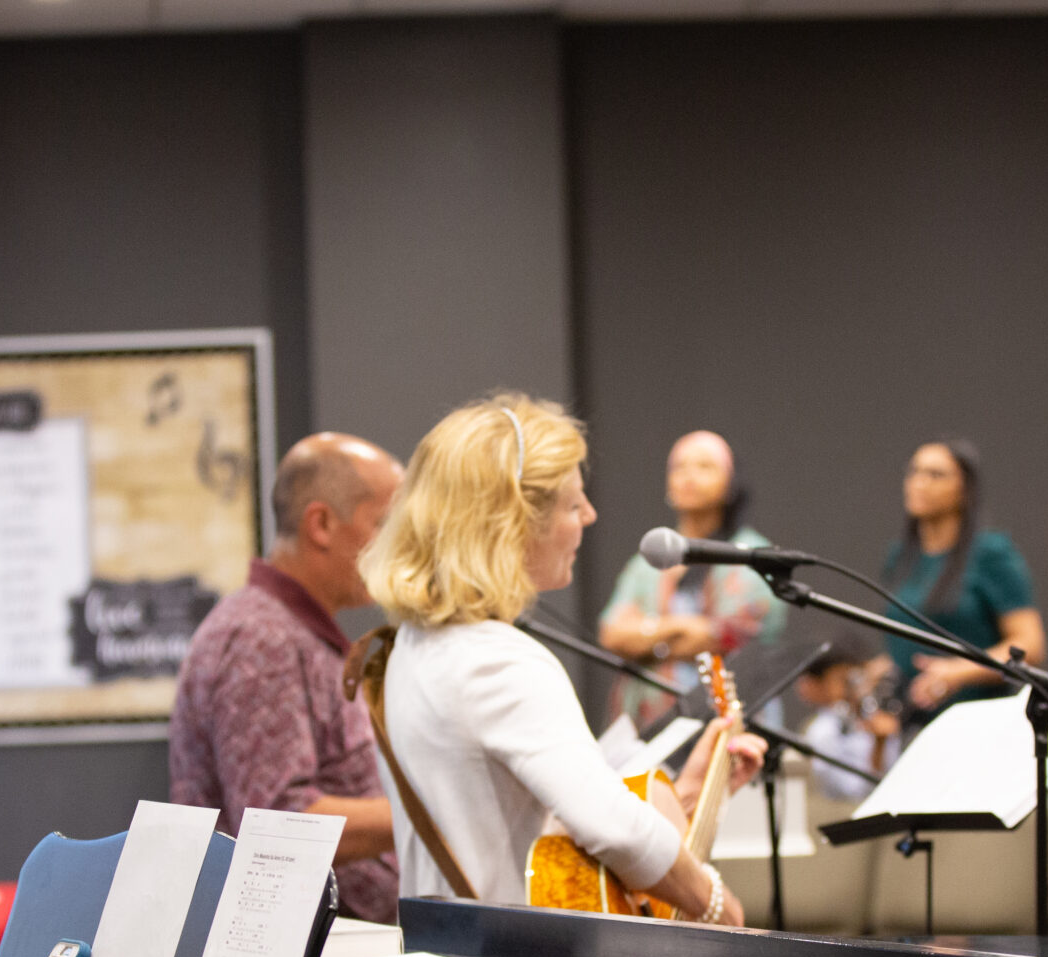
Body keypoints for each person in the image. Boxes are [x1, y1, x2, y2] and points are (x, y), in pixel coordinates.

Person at [354, 394, 765, 919]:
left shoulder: (411, 647)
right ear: (512, 524)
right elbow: (610, 826)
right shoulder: (498, 662)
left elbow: (521, 820)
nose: (590, 516)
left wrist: (683, 799)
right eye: (574, 504)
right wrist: (715, 902)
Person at [171, 432, 404, 923]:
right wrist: (428, 810)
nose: (400, 545)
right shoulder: (263, 638)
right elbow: (278, 825)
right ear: (321, 523)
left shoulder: (284, 630)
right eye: (384, 523)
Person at [597, 430, 784, 729]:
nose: (689, 476)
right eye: (679, 467)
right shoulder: (650, 560)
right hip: (651, 727)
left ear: (731, 483)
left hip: (729, 723)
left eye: (705, 467)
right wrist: (682, 627)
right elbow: (612, 633)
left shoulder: (750, 554)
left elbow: (728, 634)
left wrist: (648, 639)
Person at [873, 439, 1046, 718]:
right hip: (913, 722)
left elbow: (1031, 644)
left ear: (965, 490)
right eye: (914, 472)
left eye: (936, 475)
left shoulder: (990, 554)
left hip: (976, 719)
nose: (920, 482)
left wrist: (959, 672)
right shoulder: (901, 557)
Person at [787, 643, 898, 802]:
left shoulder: (876, 719)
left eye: (858, 678)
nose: (854, 688)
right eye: (843, 680)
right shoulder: (822, 731)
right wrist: (878, 745)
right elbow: (852, 793)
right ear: (813, 685)